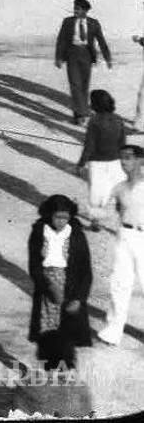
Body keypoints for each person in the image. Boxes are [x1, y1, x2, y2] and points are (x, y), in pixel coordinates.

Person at [29, 194, 94, 369]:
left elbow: (86, 271)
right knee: (47, 337)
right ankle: (48, 374)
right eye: (57, 217)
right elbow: (34, 266)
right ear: (49, 214)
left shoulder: (76, 235)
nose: (61, 221)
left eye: (65, 217)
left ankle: (66, 377)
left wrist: (79, 299)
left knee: (67, 339)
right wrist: (48, 286)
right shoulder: (39, 232)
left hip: (70, 290)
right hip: (46, 293)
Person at [96, 145, 144, 346]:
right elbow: (106, 211)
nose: (124, 162)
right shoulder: (119, 187)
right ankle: (113, 330)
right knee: (119, 283)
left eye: (129, 158)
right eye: (122, 159)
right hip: (124, 236)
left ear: (141, 160)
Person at [57, 0, 114, 125]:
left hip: (87, 56)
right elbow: (61, 40)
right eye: (74, 8)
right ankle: (82, 113)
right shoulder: (67, 22)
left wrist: (108, 58)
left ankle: (79, 114)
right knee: (75, 85)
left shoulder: (94, 23)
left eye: (78, 9)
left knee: (84, 86)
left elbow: (101, 41)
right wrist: (59, 57)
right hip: (72, 55)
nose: (75, 11)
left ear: (85, 10)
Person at [79, 90, 127, 229]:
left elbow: (89, 146)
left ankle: (96, 221)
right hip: (116, 161)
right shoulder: (118, 119)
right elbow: (122, 143)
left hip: (97, 163)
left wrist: (81, 164)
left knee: (97, 192)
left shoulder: (94, 122)